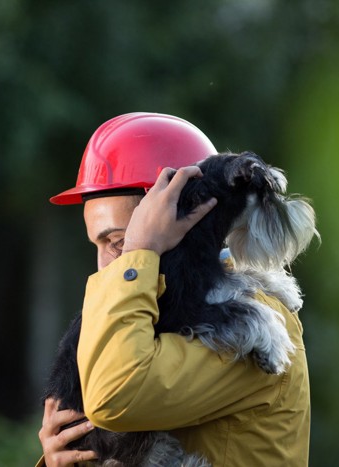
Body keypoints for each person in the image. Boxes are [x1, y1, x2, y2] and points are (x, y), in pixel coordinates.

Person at [37, 112, 310, 466]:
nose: (106, 266)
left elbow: (114, 397)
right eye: (98, 245)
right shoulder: (152, 309)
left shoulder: (251, 319)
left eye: (119, 242)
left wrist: (140, 253)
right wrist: (65, 458)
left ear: (185, 218)